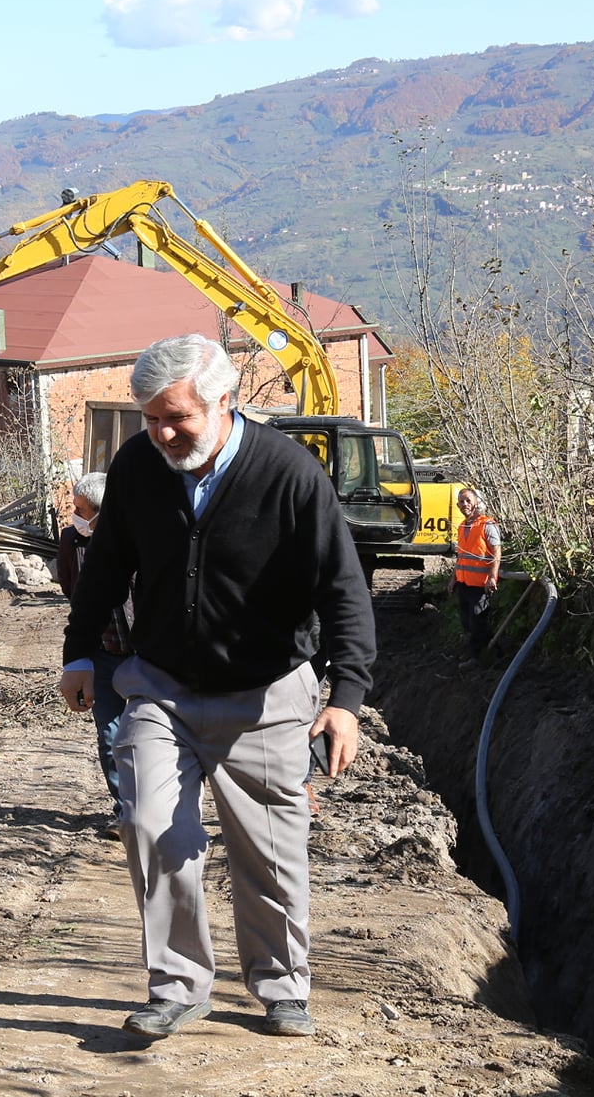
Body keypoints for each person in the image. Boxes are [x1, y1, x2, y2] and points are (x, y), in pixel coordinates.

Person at [60, 334, 375, 1040]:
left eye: (178, 418)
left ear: (224, 401)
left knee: (268, 848)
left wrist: (346, 699)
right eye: (152, 419)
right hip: (161, 686)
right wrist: (80, 653)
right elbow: (105, 564)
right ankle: (177, 985)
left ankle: (282, 986)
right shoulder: (139, 466)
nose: (163, 433)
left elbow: (345, 592)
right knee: (150, 824)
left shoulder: (291, 476)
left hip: (265, 696)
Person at [55, 471, 129, 837]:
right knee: (111, 736)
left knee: (149, 737)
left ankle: (159, 812)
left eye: (81, 510)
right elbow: (72, 590)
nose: (75, 516)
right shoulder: (72, 540)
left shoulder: (134, 540)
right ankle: (126, 813)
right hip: (101, 654)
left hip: (142, 657)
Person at [453, 487, 503, 660]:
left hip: (480, 585)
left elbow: (496, 552)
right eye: (461, 501)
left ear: (477, 502)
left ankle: (477, 657)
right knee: (468, 623)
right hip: (464, 584)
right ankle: (495, 653)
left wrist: (492, 577)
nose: (464, 504)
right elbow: (461, 556)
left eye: (467, 500)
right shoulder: (461, 527)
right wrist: (453, 579)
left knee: (477, 622)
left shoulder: (487, 524)